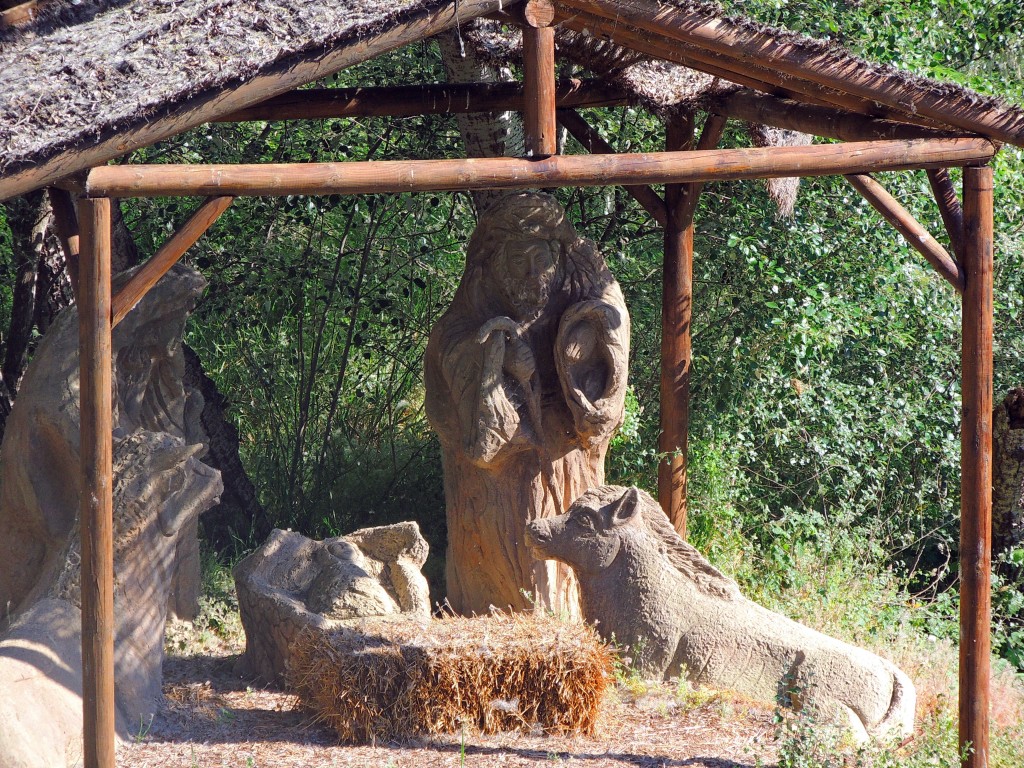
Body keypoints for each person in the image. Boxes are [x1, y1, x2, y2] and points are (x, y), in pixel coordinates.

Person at [425, 192, 630, 617]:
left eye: (541, 261)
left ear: (558, 259)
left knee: (565, 569)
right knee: (499, 564)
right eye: (517, 263)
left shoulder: (585, 282)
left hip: (566, 454)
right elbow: (452, 346)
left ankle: (572, 611)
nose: (531, 274)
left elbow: (611, 319)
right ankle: (490, 608)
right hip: (498, 485)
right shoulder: (473, 308)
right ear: (495, 266)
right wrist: (496, 362)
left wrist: (582, 343)